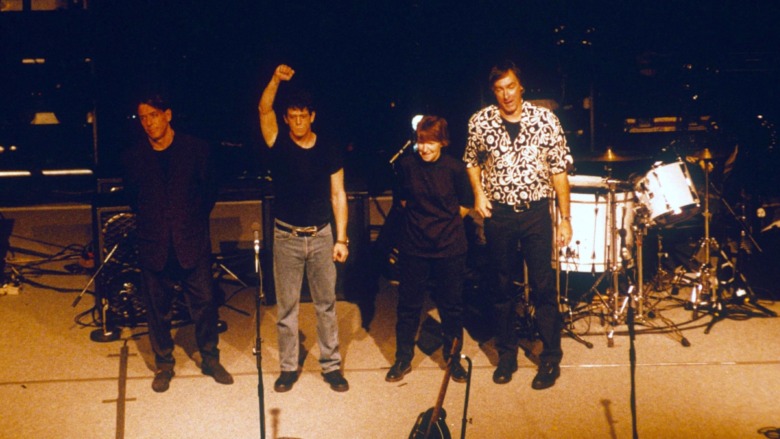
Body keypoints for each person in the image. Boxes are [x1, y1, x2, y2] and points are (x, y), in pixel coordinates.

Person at [463, 60, 573, 390]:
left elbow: (559, 170)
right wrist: (479, 195)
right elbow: (471, 161)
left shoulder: (545, 120)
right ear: (493, 91)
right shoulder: (480, 122)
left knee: (543, 287)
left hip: (537, 212)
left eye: (510, 87)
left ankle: (550, 357)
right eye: (499, 89)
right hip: (501, 216)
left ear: (520, 86)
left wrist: (565, 219)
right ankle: (507, 355)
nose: (506, 94)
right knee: (501, 286)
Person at [122, 93, 233, 393]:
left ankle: (210, 358)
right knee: (156, 309)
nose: (148, 123)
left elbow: (209, 192)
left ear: (167, 115)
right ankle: (164, 364)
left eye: (153, 116)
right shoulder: (134, 157)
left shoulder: (196, 150)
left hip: (191, 241)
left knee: (205, 304)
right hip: (153, 243)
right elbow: (134, 198)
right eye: (143, 118)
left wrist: (190, 222)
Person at [258, 64, 350, 393]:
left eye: (302, 116)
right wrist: (275, 80)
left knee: (326, 304)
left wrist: (341, 238)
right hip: (286, 237)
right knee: (286, 308)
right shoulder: (278, 141)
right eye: (292, 116)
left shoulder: (328, 147)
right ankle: (287, 367)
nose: (297, 122)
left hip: (322, 234)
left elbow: (338, 194)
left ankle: (331, 366)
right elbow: (264, 108)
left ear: (312, 116)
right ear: (287, 119)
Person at [385, 115, 473, 384]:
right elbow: (401, 201)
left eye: (431, 142)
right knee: (408, 306)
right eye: (421, 142)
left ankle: (453, 358)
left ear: (442, 142)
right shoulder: (406, 166)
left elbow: (467, 203)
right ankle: (402, 358)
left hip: (449, 246)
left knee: (451, 307)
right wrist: (422, 224)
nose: (424, 148)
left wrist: (444, 223)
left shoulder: (455, 169)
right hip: (414, 246)